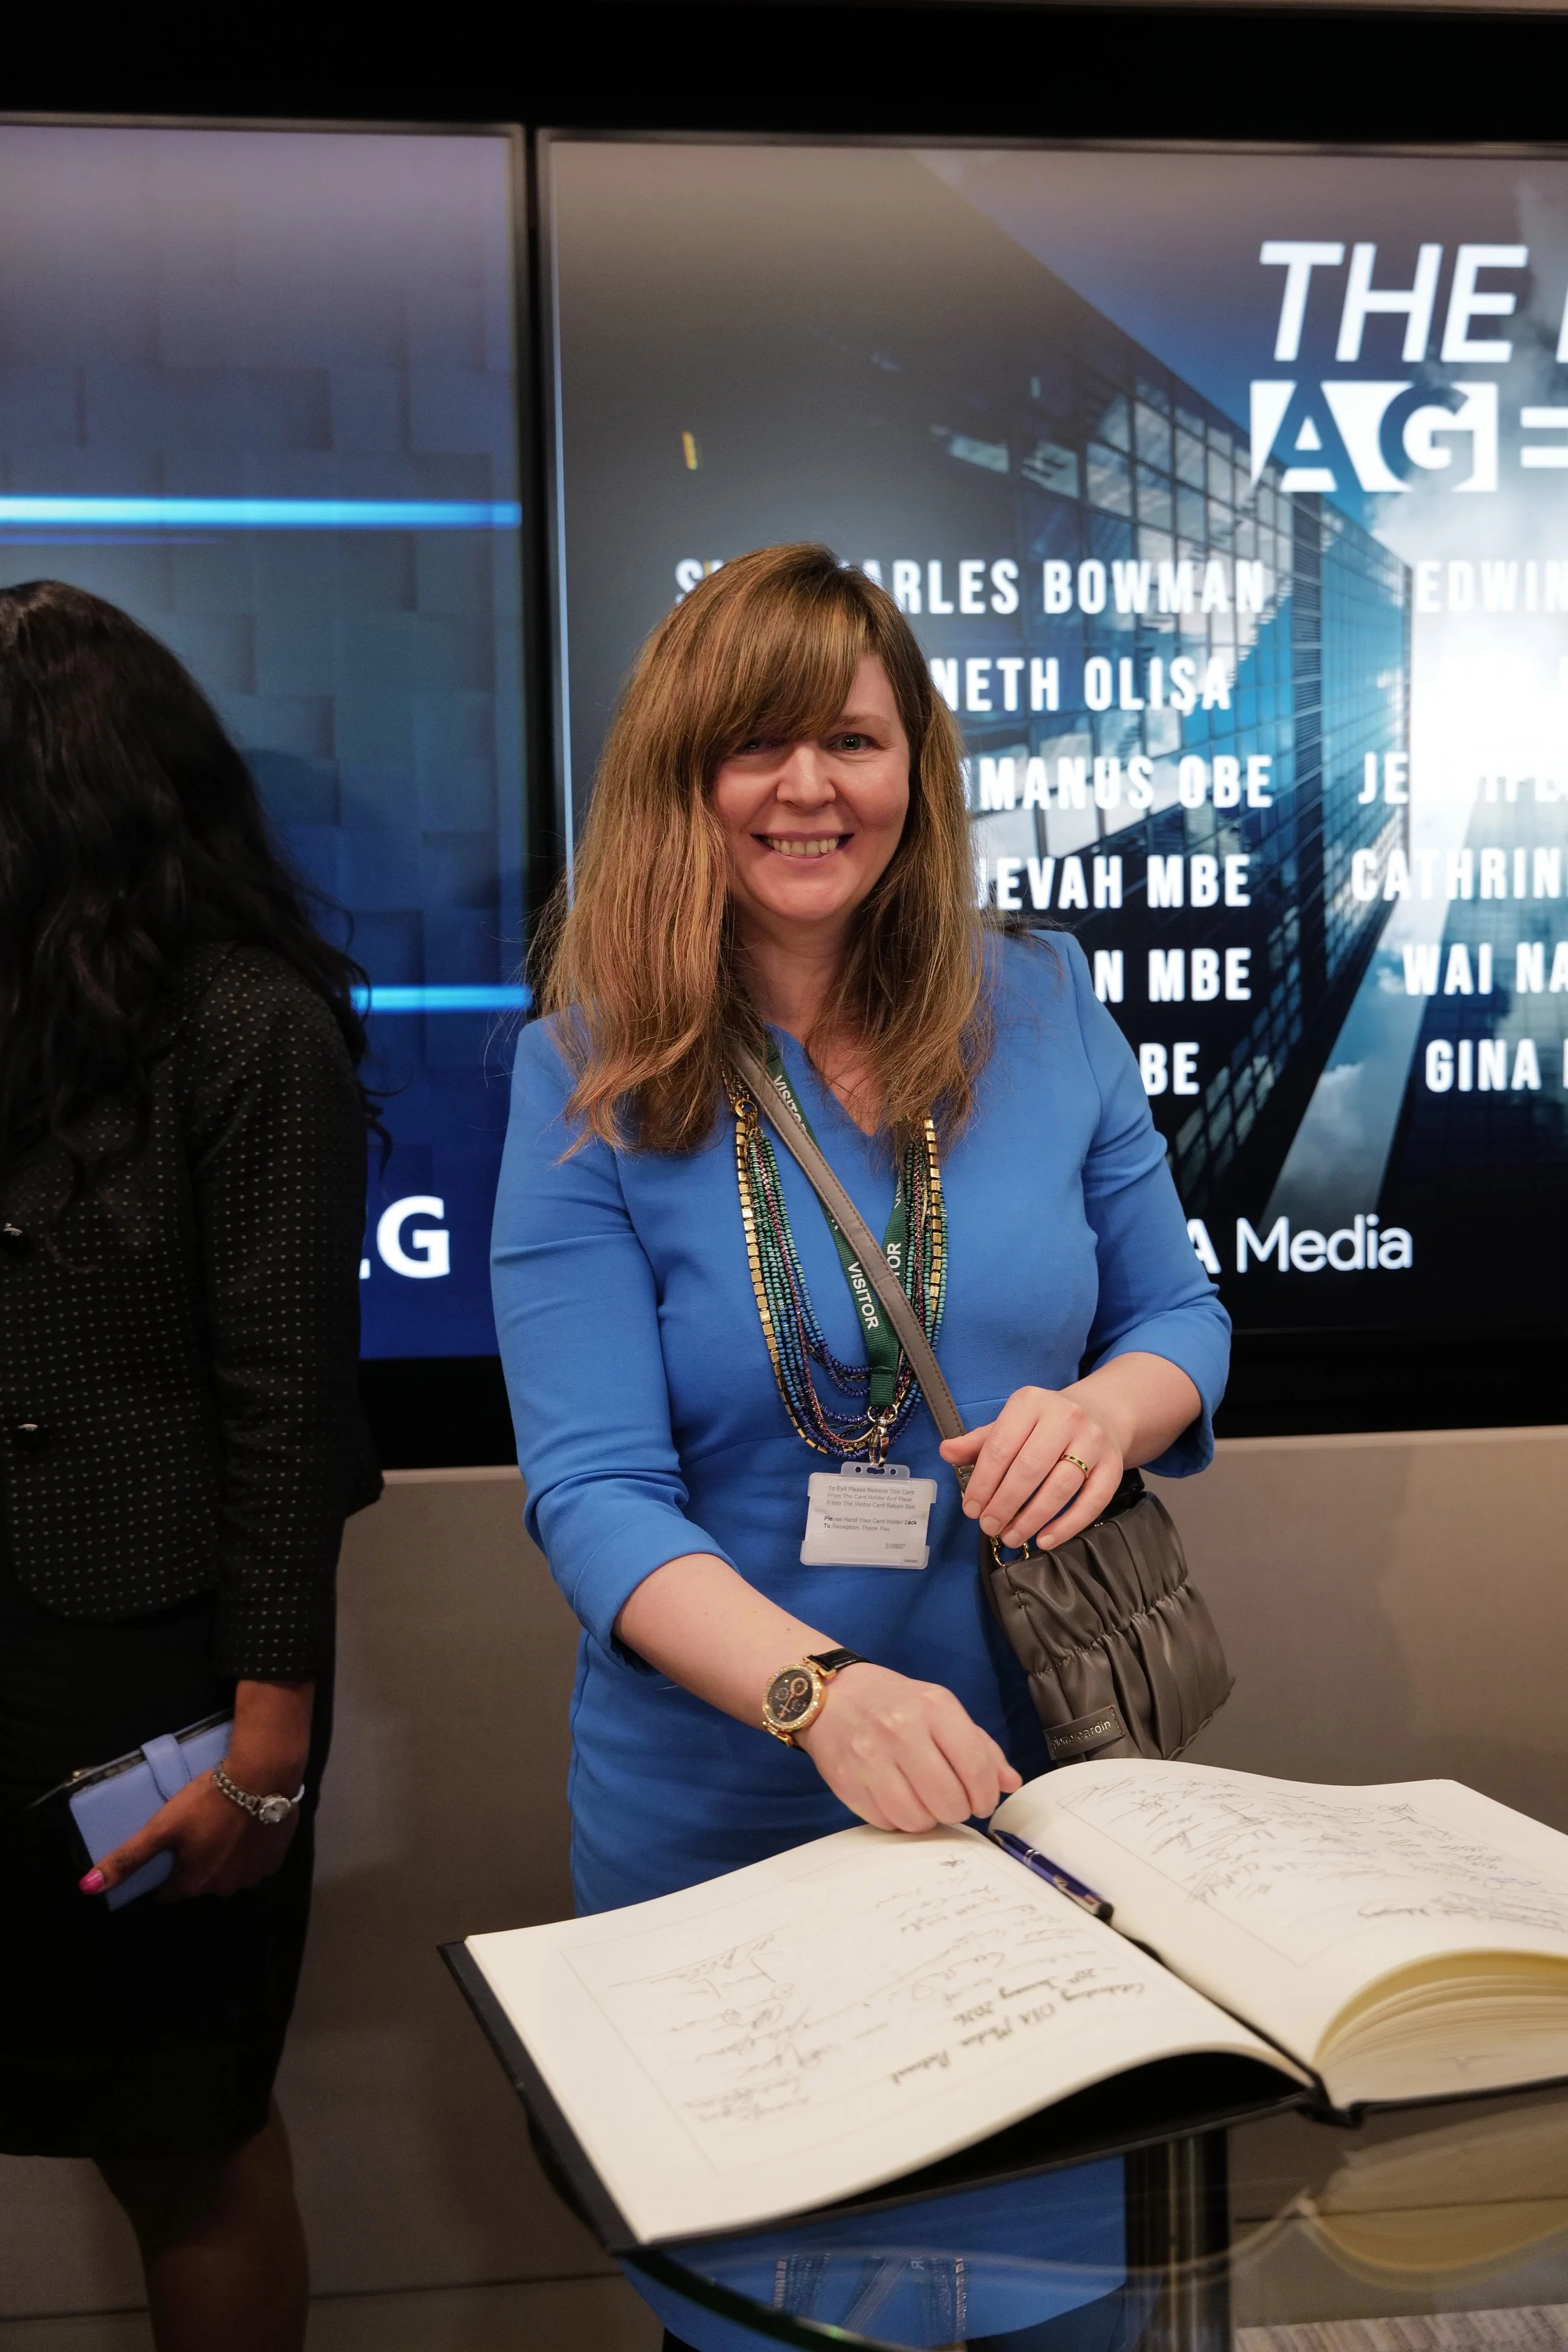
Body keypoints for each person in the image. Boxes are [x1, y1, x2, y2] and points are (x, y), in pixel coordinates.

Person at [492, 544, 1229, 2349]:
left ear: (917, 769)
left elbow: (1182, 1318)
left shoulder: (1042, 1003)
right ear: (683, 778)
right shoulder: (584, 1071)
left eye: (850, 738)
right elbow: (591, 1495)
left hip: (1042, 1791)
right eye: (754, 745)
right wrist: (821, 1694)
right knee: (784, 2318)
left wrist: (1102, 1406)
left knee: (1059, 2301)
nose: (807, 786)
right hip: (723, 1818)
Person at [0, 581, 381, 2352]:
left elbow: (289, 1411)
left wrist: (272, 1754)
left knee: (188, 2143)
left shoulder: (249, 1028)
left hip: (155, 1685)